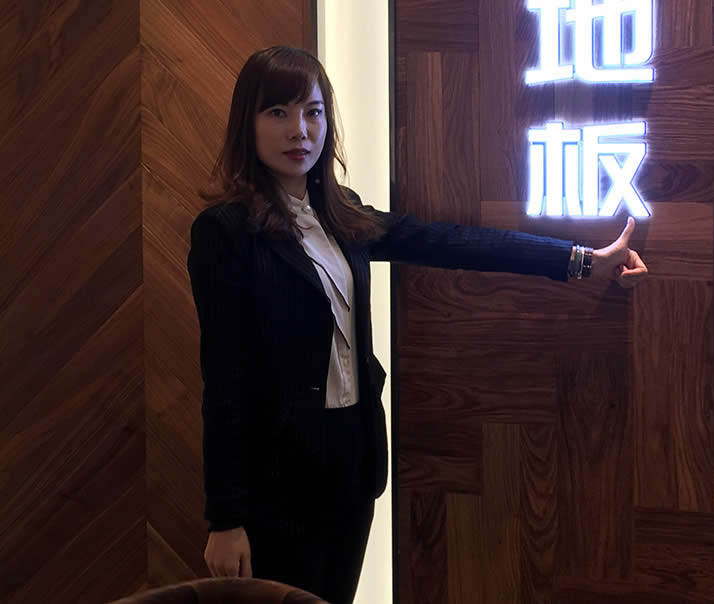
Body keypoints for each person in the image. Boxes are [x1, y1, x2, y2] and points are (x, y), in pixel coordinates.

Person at [186, 46, 648, 604]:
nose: (299, 131)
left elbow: (451, 242)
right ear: (249, 122)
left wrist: (581, 261)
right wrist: (225, 517)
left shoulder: (341, 214)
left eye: (312, 112)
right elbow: (225, 383)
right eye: (278, 112)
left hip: (351, 465)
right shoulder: (225, 233)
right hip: (275, 482)